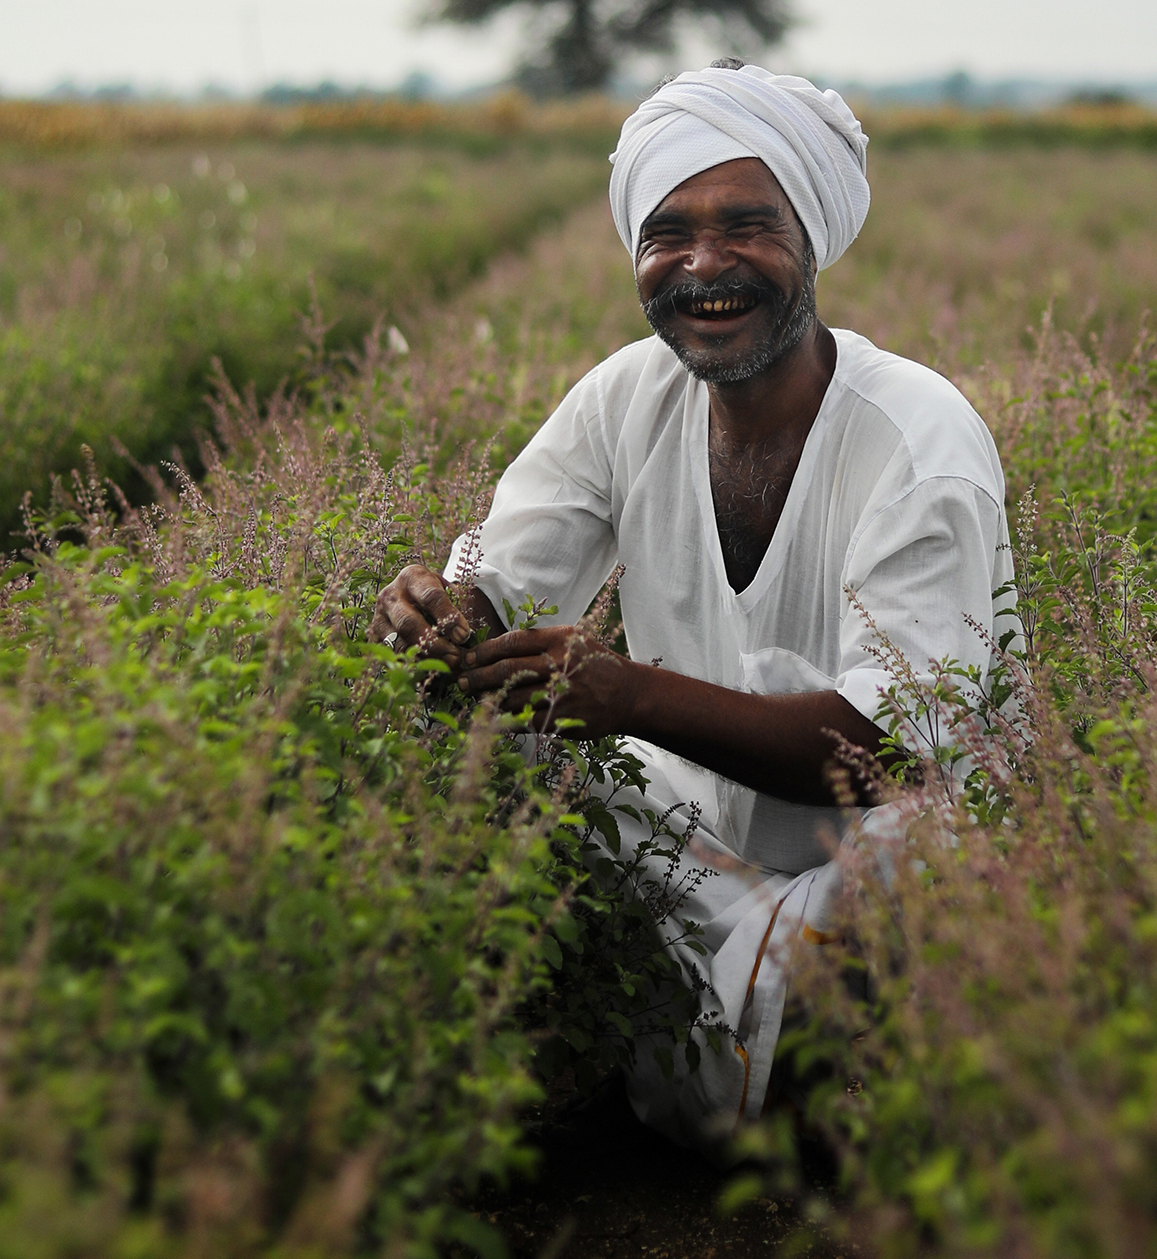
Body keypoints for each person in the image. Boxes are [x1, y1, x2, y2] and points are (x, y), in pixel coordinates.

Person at [371, 60, 1016, 1147]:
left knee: (941, 854)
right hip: (703, 835)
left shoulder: (918, 439)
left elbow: (886, 759)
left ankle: (733, 1041)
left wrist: (623, 693)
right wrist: (443, 617)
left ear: (810, 240)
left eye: (747, 228)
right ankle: (756, 1025)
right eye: (669, 233)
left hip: (875, 845)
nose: (705, 266)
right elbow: (503, 579)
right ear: (636, 255)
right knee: (504, 759)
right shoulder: (626, 396)